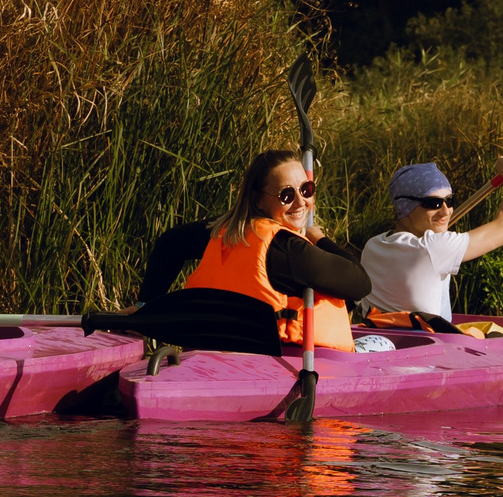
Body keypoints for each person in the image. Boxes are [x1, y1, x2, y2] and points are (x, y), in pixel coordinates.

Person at [139, 149, 371, 352]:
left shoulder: (224, 229)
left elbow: (169, 243)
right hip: (276, 360)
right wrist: (319, 239)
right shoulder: (291, 250)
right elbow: (360, 282)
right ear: (258, 200)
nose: (301, 202)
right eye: (287, 195)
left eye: (306, 189)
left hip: (209, 351)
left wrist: (145, 305)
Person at [359, 158, 503, 326]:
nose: (446, 211)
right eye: (434, 203)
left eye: (450, 200)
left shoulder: (373, 246)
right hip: (428, 346)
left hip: (384, 337)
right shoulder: (431, 247)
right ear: (405, 206)